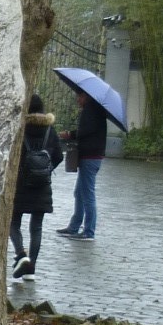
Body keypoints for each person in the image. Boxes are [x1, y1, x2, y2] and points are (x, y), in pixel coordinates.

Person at [10, 92, 60, 280]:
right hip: (42, 185)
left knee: (13, 222)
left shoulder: (20, 128)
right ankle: (31, 269)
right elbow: (59, 156)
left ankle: (21, 254)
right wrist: (45, 170)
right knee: (36, 227)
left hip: (20, 184)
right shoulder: (50, 130)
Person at [58, 88, 108, 239]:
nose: (77, 100)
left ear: (86, 96)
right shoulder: (95, 110)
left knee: (87, 194)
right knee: (79, 193)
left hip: (90, 156)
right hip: (92, 156)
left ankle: (89, 231)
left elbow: (84, 131)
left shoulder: (91, 111)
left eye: (79, 97)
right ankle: (74, 226)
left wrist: (70, 134)